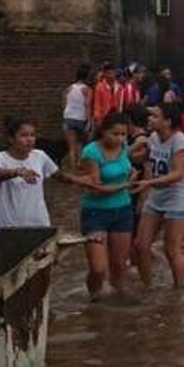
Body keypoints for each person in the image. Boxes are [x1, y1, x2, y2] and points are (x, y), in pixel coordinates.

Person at [77, 113, 136, 298]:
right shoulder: (91, 152)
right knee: (98, 268)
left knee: (119, 265)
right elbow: (95, 188)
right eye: (115, 134)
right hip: (95, 214)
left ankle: (117, 300)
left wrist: (133, 174)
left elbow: (128, 168)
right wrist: (125, 185)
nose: (119, 139)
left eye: (123, 135)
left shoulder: (124, 147)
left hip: (123, 211)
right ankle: (94, 297)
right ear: (103, 132)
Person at [133, 102, 184, 289]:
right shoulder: (152, 137)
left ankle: (179, 291)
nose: (150, 119)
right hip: (155, 198)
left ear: (168, 121)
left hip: (176, 199)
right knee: (141, 245)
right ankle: (147, 287)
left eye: (155, 116)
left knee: (171, 250)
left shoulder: (180, 141)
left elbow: (178, 174)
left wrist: (148, 183)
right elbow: (148, 163)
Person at [0, 116, 66, 228]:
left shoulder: (40, 156)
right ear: (11, 139)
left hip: (40, 223)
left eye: (32, 135)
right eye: (24, 135)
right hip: (8, 225)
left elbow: (61, 176)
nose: (30, 139)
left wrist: (85, 181)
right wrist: (17, 171)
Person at [63, 64, 93, 167]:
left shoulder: (69, 88)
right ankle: (79, 164)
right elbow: (87, 105)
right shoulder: (87, 89)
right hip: (80, 118)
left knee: (71, 147)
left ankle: (73, 168)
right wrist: (89, 121)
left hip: (68, 117)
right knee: (80, 144)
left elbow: (64, 104)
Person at [90, 62, 121, 132]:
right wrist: (97, 119)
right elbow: (97, 105)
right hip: (103, 118)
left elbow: (120, 104)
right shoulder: (99, 87)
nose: (110, 76)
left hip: (115, 117)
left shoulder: (119, 87)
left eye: (111, 73)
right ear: (104, 74)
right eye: (108, 73)